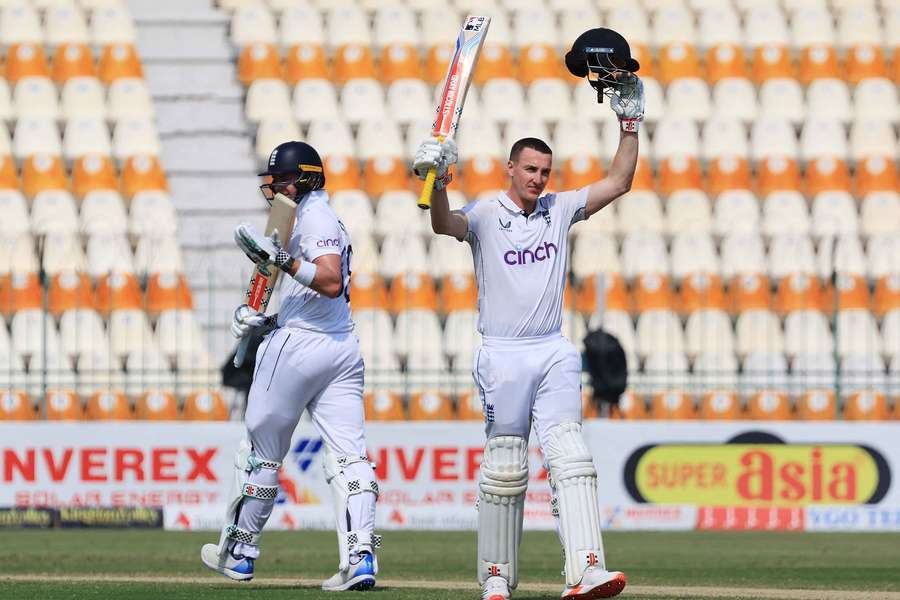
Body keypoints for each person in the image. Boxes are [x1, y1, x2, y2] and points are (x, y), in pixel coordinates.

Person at [413, 46, 644, 600]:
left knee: (570, 455)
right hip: (502, 354)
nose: (539, 179)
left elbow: (619, 181)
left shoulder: (560, 208)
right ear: (509, 169)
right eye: (531, 170)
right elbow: (443, 223)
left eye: (546, 171)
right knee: (506, 464)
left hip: (552, 350)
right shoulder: (488, 213)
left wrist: (630, 124)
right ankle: (496, 576)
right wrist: (437, 177)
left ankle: (586, 568)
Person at [200, 141, 381, 592]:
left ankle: (239, 554)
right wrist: (267, 317)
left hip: (299, 350)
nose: (275, 188)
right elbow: (315, 295)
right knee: (349, 456)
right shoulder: (321, 214)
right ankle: (360, 557)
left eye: (281, 180)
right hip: (340, 345)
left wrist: (279, 259)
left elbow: (329, 279)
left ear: (303, 178)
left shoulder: (315, 216)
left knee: (261, 450)